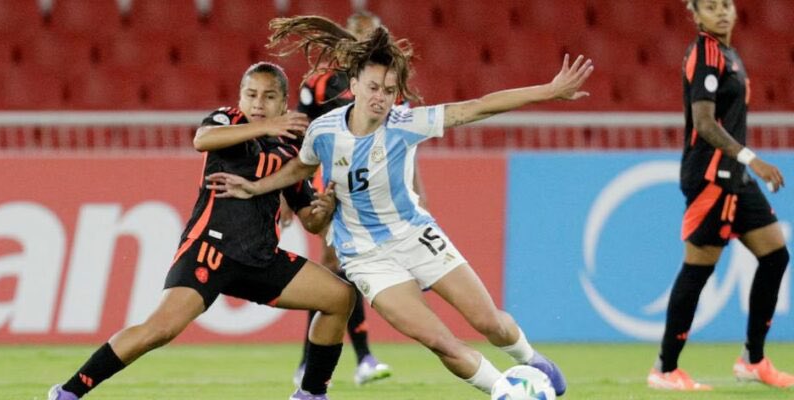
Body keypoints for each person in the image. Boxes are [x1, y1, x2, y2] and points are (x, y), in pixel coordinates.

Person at [205, 16, 593, 396]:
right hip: (365, 256)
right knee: (440, 341)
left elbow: (477, 106)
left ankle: (531, 360)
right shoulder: (323, 131)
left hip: (416, 236)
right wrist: (256, 189)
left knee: (490, 323)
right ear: (353, 84)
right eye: (373, 86)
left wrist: (547, 91)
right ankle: (505, 391)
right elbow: (300, 168)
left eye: (389, 90)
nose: (380, 97)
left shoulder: (405, 123)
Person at [47, 62, 356, 400]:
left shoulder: (292, 150)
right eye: (251, 95)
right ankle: (67, 393)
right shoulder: (228, 121)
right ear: (240, 98)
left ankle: (311, 394)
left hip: (261, 258)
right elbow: (202, 139)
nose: (258, 103)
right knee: (159, 330)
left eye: (269, 97)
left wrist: (324, 210)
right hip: (210, 251)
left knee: (340, 297)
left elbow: (309, 220)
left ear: (284, 103)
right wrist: (268, 124)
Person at [646, 0, 792, 391]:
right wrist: (752, 159)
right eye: (710, 7)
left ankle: (753, 360)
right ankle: (665, 368)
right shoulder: (705, 53)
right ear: (694, 15)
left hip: (735, 178)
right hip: (710, 176)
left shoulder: (730, 53)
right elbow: (704, 123)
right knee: (698, 268)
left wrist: (744, 166)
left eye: (726, 4)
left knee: (776, 254)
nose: (722, 12)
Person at [290, 10, 428, 387]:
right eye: (359, 36)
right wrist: (291, 196)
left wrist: (416, 188)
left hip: (380, 189)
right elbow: (299, 139)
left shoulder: (387, 85)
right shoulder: (319, 85)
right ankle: (338, 359)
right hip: (332, 185)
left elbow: (404, 143)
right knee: (333, 265)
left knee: (347, 269)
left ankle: (342, 359)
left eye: (372, 36)